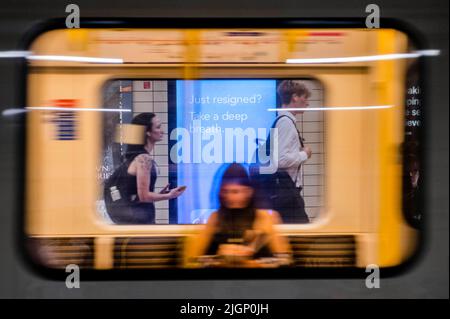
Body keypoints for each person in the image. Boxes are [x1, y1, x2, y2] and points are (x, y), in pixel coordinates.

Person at [191, 163, 292, 267]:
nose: (229, 197)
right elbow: (195, 261)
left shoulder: (264, 218)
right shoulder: (215, 218)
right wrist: (221, 257)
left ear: (248, 192)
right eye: (225, 191)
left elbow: (284, 260)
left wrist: (249, 263)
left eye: (235, 192)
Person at [104, 112, 185, 224]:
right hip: (138, 221)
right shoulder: (143, 158)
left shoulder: (134, 157)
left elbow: (136, 195)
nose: (162, 131)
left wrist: (160, 194)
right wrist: (169, 195)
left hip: (133, 220)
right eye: (158, 127)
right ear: (147, 132)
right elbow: (144, 196)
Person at [272, 80, 312, 223]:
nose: (307, 102)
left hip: (285, 193)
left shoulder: (283, 121)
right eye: (305, 98)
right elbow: (281, 160)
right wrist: (304, 154)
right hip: (287, 194)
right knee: (303, 236)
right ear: (295, 97)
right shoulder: (285, 122)